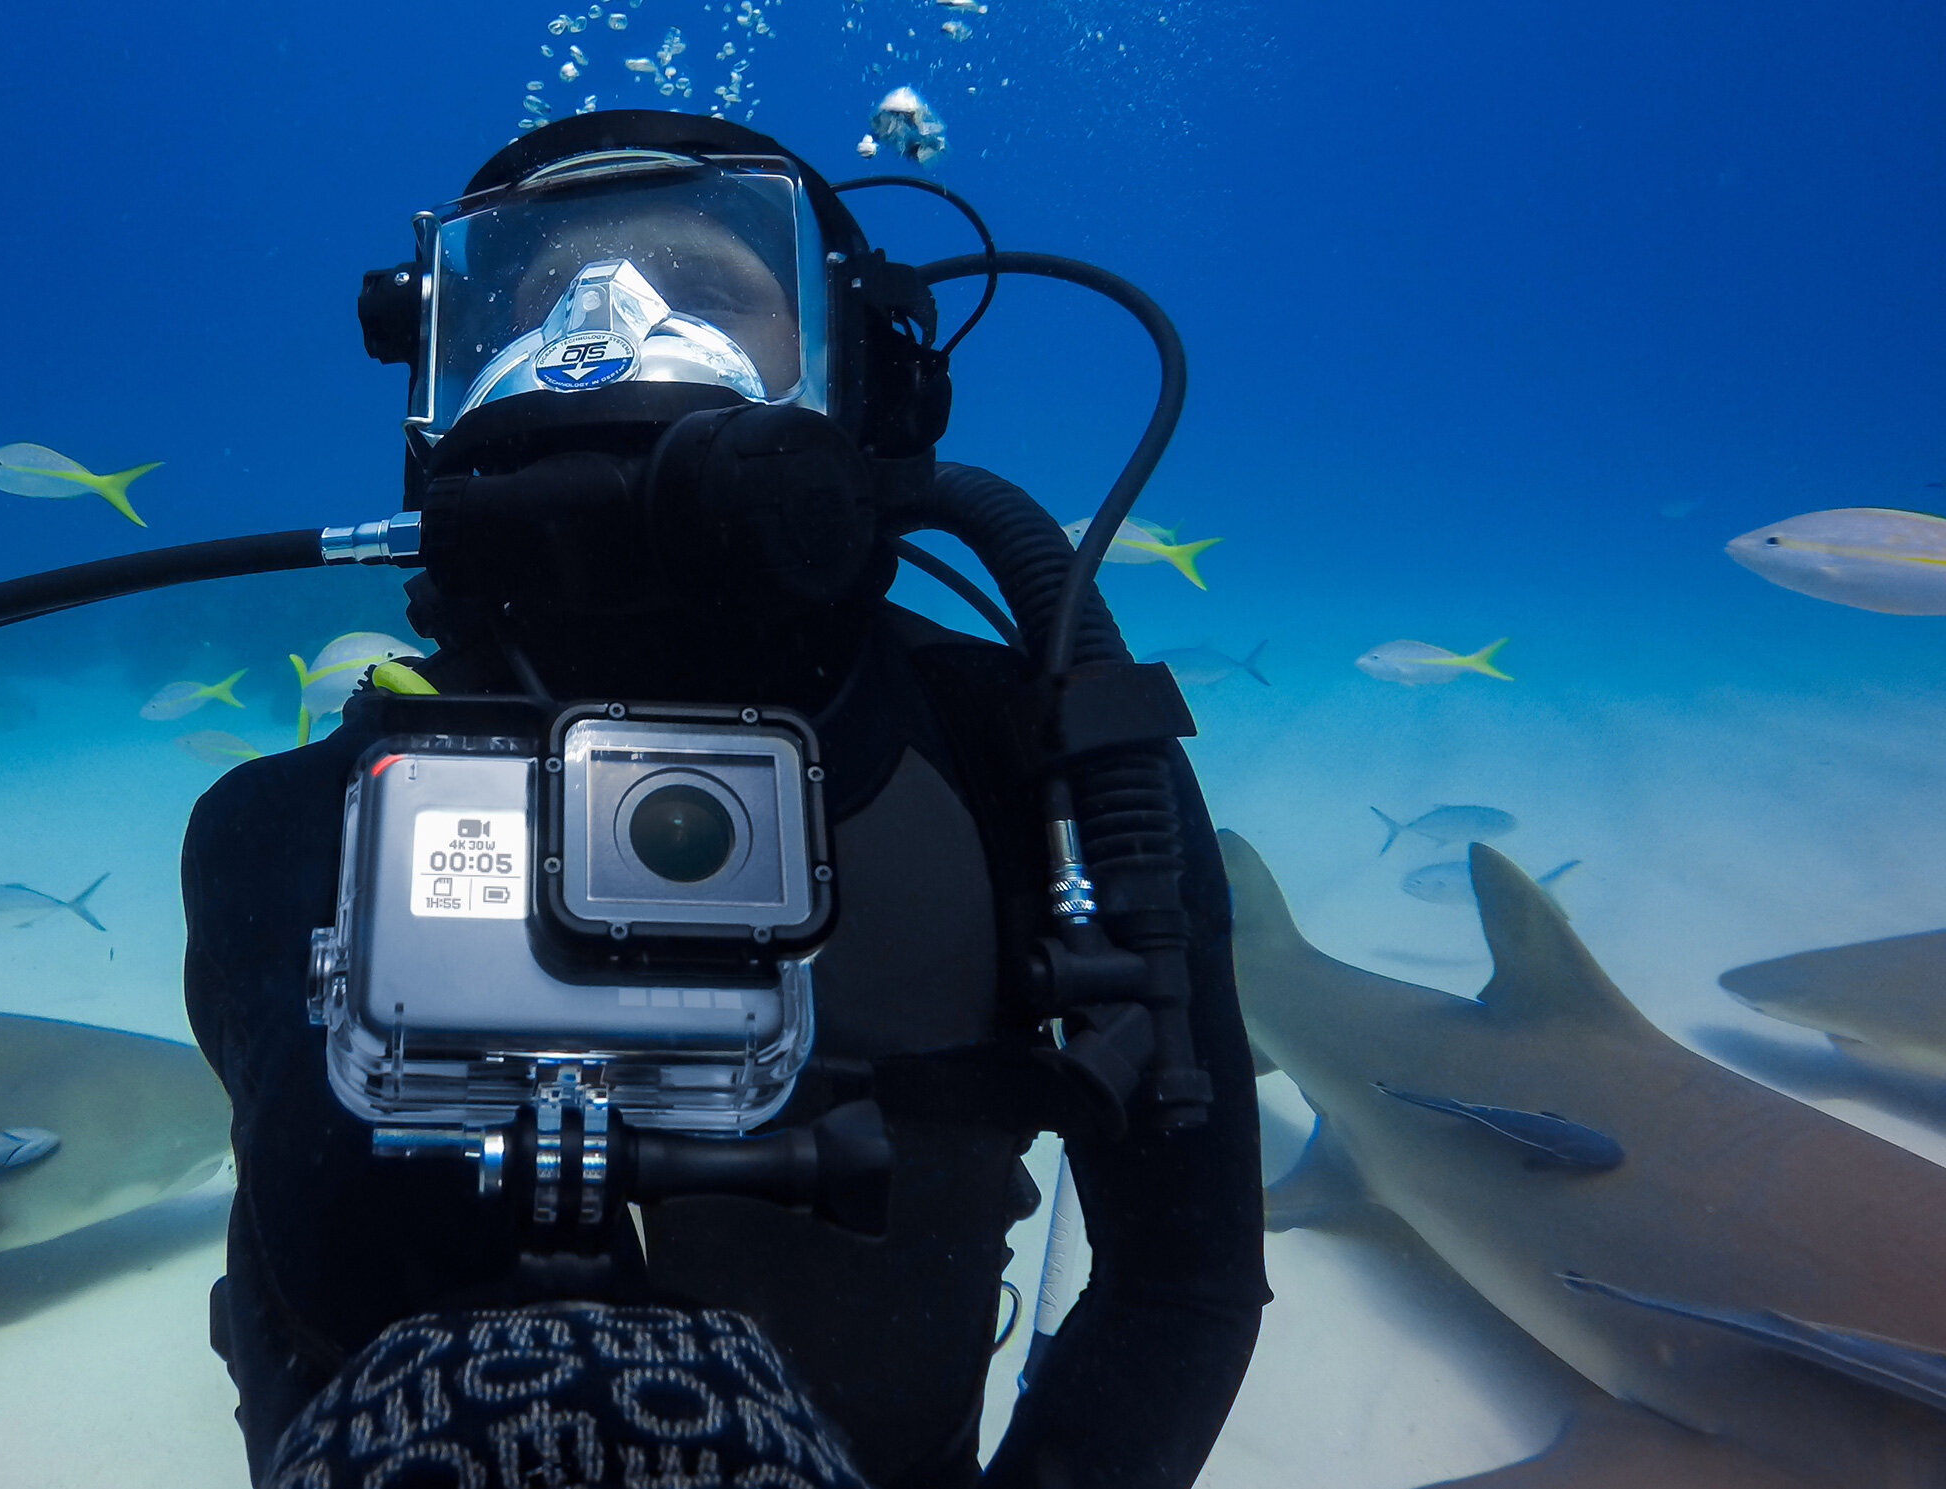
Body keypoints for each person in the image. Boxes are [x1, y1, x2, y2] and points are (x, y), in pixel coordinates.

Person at [183, 110, 1268, 1489]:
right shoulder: (278, 827)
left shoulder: (1035, 765)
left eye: (703, 293)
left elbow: (1182, 1286)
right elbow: (271, 1296)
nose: (603, 330)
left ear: (867, 378)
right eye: (529, 303)